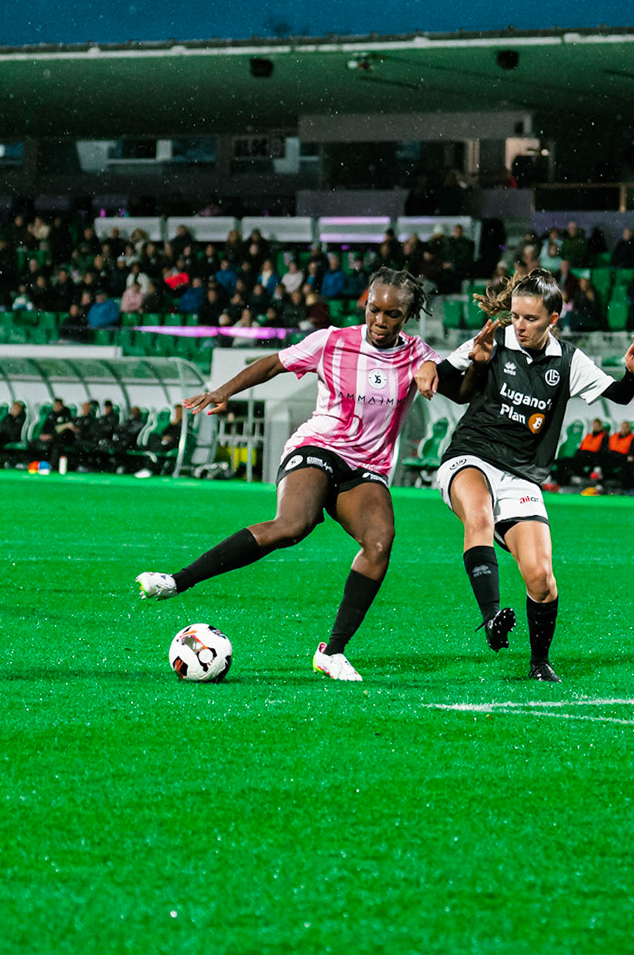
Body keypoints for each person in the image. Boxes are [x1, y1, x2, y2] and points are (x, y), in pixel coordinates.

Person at [136, 269, 441, 683]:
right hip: (317, 446)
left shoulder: (418, 354)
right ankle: (177, 581)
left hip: (367, 468)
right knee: (293, 525)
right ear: (365, 303)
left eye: (392, 314)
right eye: (374, 309)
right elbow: (272, 364)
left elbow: (457, 381)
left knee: (379, 542)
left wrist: (467, 361)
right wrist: (224, 391)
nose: (380, 321)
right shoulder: (331, 341)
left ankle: (331, 653)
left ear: (407, 316)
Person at [432, 269, 634, 682]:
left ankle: (539, 663)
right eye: (515, 316)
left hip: (521, 475)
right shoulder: (494, 339)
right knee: (478, 516)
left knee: (542, 579)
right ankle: (492, 616)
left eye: (530, 319)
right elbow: (445, 376)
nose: (519, 325)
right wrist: (440, 371)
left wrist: (633, 373)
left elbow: (619, 396)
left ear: (553, 319)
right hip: (470, 456)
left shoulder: (568, 360)